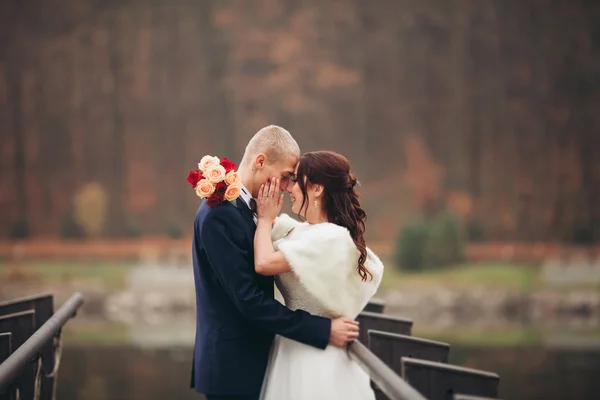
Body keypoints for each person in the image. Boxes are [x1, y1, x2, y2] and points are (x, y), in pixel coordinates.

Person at [190, 126, 360, 400]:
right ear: (260, 162)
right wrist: (323, 330)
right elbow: (249, 300)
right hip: (233, 368)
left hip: (256, 362)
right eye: (284, 177)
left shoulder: (248, 209)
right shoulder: (219, 215)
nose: (285, 187)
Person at [255, 150, 384, 400]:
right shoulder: (304, 232)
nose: (288, 188)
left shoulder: (329, 237)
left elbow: (263, 263)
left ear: (316, 189)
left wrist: (263, 219)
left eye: (295, 180)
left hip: (314, 357)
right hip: (295, 348)